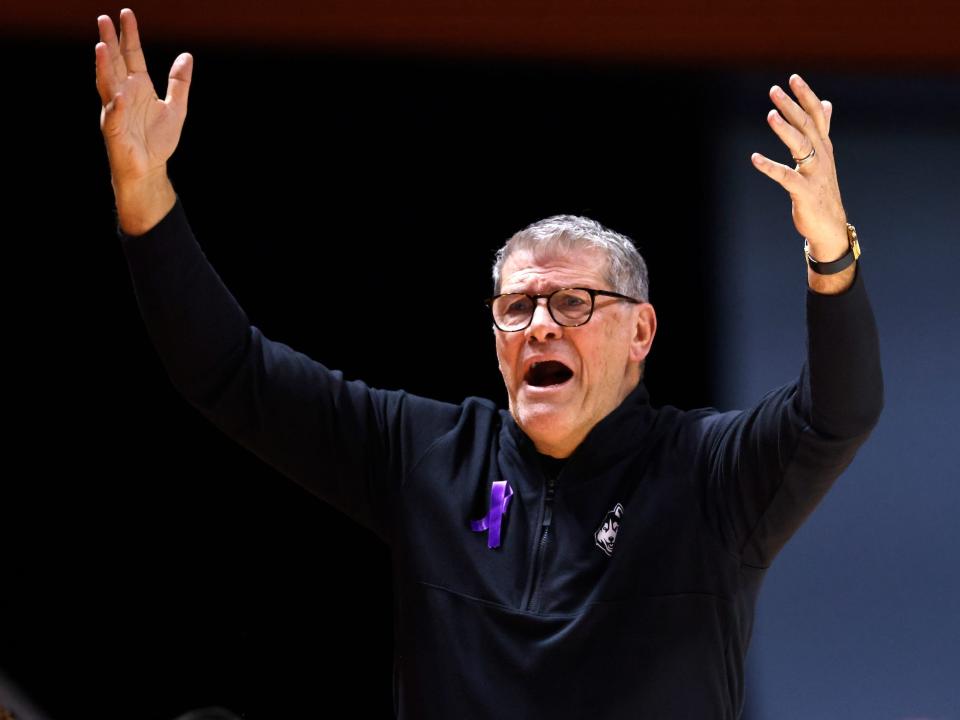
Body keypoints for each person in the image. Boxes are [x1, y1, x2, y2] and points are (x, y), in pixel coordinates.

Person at [96, 8, 883, 719]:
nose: (540, 326)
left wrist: (829, 249)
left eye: (574, 303)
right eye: (517, 308)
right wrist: (145, 192)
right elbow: (228, 373)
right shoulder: (427, 457)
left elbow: (838, 413)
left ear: (640, 332)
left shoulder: (710, 477)